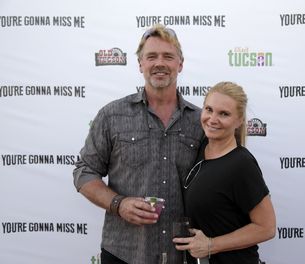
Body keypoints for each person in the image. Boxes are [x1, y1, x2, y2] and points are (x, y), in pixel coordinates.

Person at [73, 24, 204, 264]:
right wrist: (118, 204)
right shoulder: (112, 115)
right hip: (124, 252)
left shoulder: (201, 121)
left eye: (168, 56)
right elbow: (84, 172)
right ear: (140, 64)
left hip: (182, 254)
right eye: (151, 56)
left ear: (180, 64)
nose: (159, 63)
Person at [173, 81, 276, 264]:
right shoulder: (200, 148)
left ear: (239, 120)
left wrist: (211, 245)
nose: (212, 119)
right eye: (209, 109)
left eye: (224, 114)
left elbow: (266, 227)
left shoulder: (241, 164)